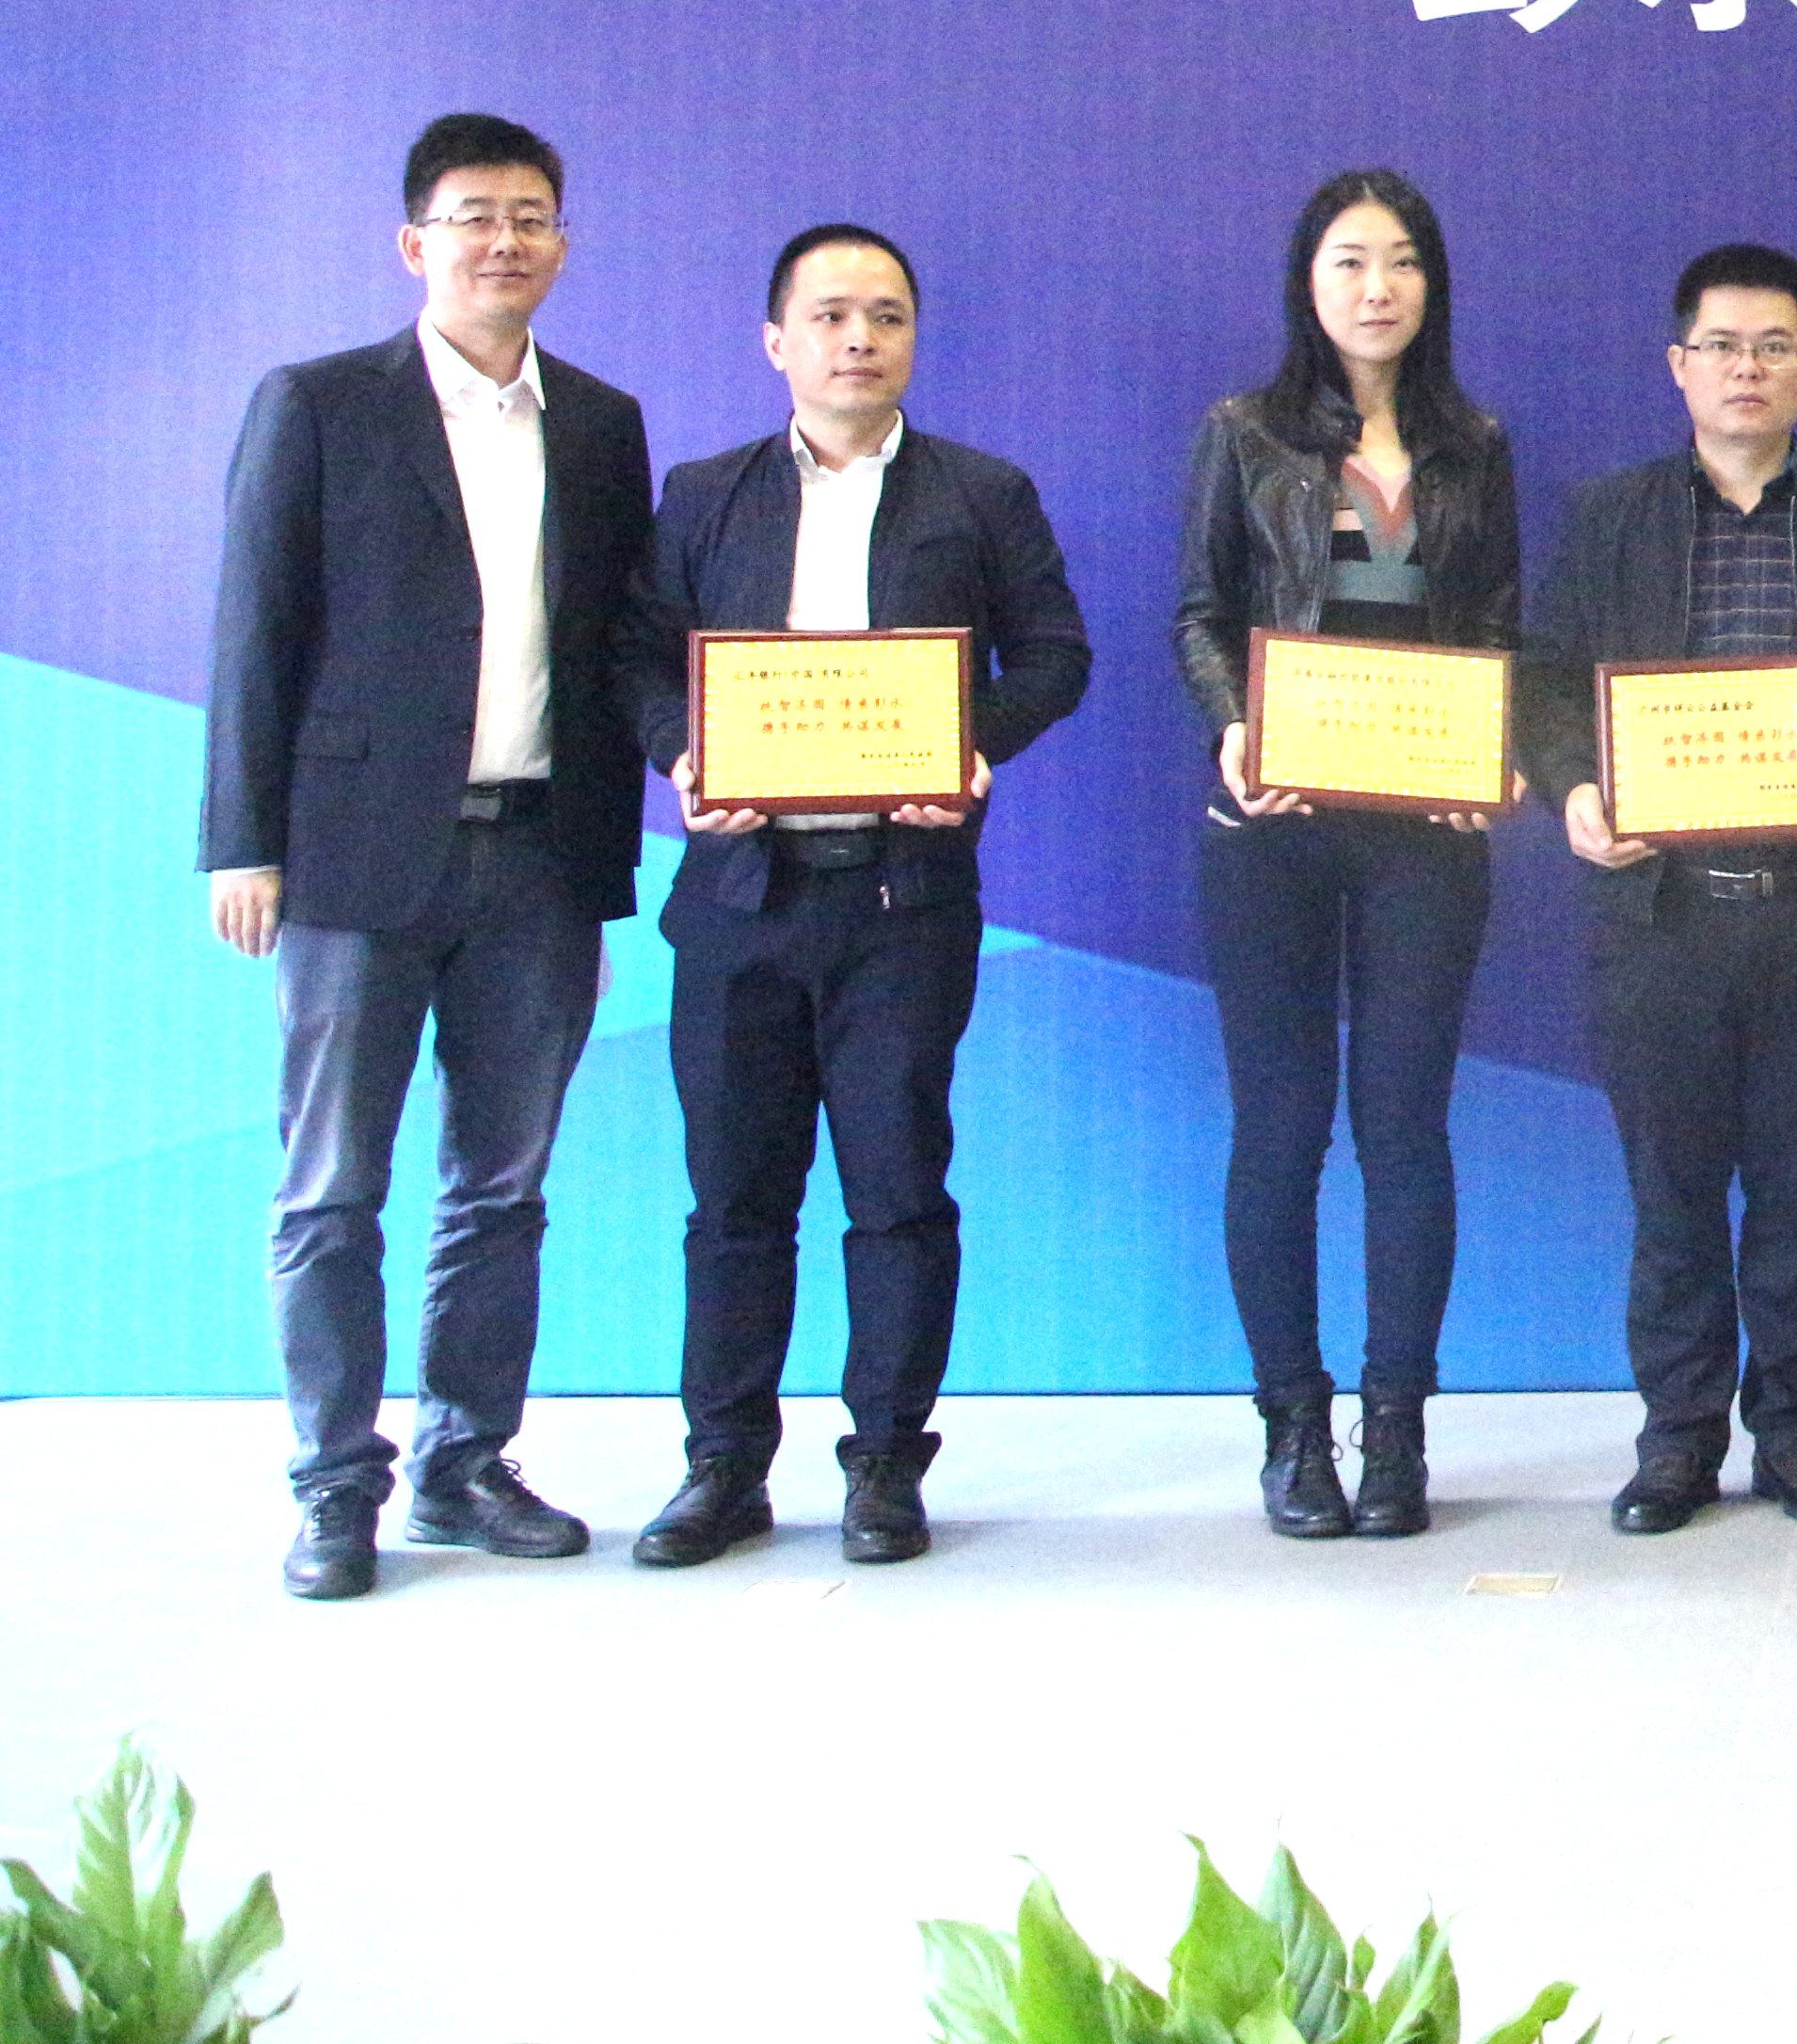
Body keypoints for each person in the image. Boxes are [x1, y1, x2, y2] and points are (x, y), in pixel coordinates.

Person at [205, 114, 656, 1602]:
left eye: (531, 215)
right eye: (474, 216)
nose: (503, 240)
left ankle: (467, 1465)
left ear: (564, 245)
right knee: (331, 1188)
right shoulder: (320, 404)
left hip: (539, 858)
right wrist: (242, 842)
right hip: (350, 860)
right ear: (416, 243)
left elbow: (616, 649)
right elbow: (255, 625)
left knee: (501, 1189)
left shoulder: (601, 425)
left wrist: (622, 855)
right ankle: (336, 1486)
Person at [621, 227, 1089, 1567]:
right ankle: (723, 1468)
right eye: (829, 315)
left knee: (897, 1195)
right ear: (777, 341)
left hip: (903, 904)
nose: (859, 339)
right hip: (739, 903)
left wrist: (973, 750)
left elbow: (1056, 654)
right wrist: (682, 752)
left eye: (886, 315)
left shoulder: (981, 493)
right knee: (735, 1203)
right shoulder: (704, 494)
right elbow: (635, 655)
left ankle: (885, 1463)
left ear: (913, 341)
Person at [1516, 244, 1797, 1535]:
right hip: (1657, 912)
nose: (1747, 369)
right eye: (1722, 345)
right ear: (1680, 365)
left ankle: (1796, 1438)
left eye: (1775, 347)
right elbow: (1547, 680)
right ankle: (1675, 1442)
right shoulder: (1609, 519)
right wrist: (1573, 789)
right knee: (1669, 1198)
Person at [1175, 170, 1522, 1541]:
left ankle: (1396, 1427)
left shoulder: (1474, 444)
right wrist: (1236, 724)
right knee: (1280, 1130)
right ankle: (1291, 1427)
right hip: (1274, 829)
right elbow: (1201, 610)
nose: (1378, 288)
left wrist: (1492, 745)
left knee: (1404, 1128)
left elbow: (1496, 623)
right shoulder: (1245, 431)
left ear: (1432, 283)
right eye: (1350, 262)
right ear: (1307, 283)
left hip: (1424, 839)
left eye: (1403, 261)